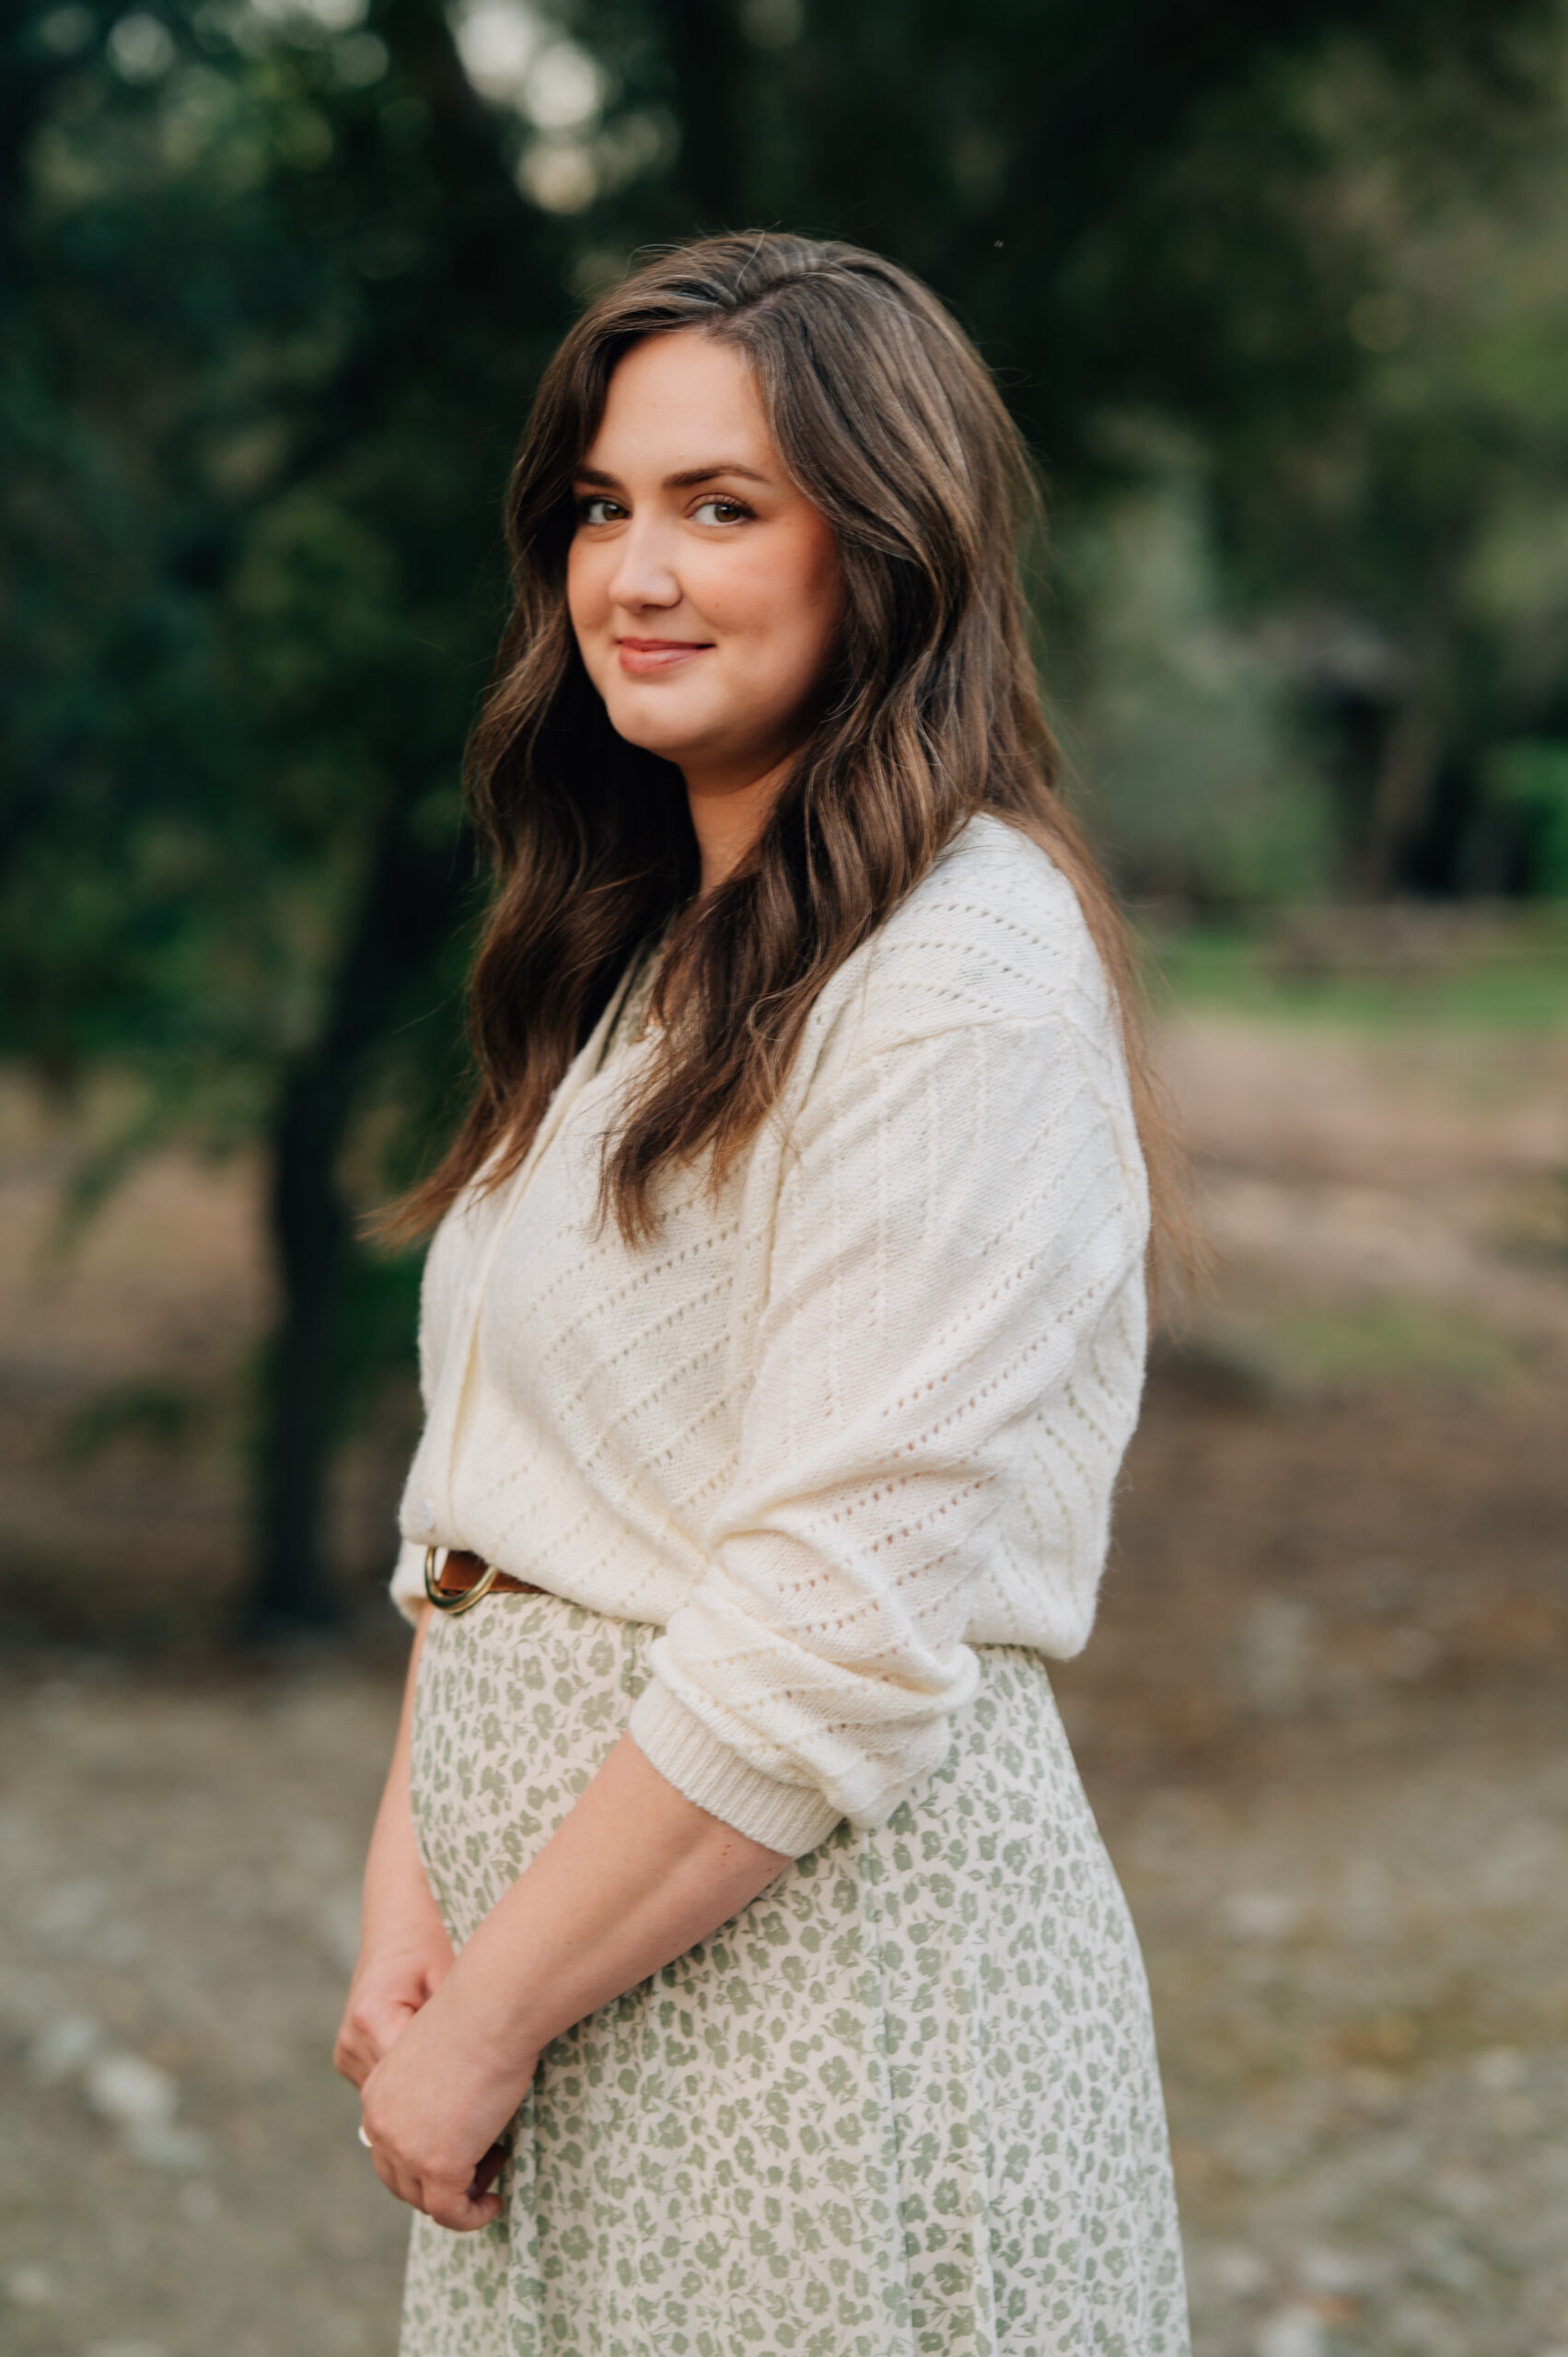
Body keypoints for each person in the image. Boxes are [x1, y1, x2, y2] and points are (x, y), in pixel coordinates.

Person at [334, 231, 1191, 2357]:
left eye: (724, 507)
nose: (635, 570)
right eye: (604, 507)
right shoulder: (655, 946)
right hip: (571, 1986)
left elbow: (837, 1608)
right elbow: (494, 1498)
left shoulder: (958, 976)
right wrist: (409, 1900)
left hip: (813, 1994)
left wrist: (492, 2009)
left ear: (886, 551)